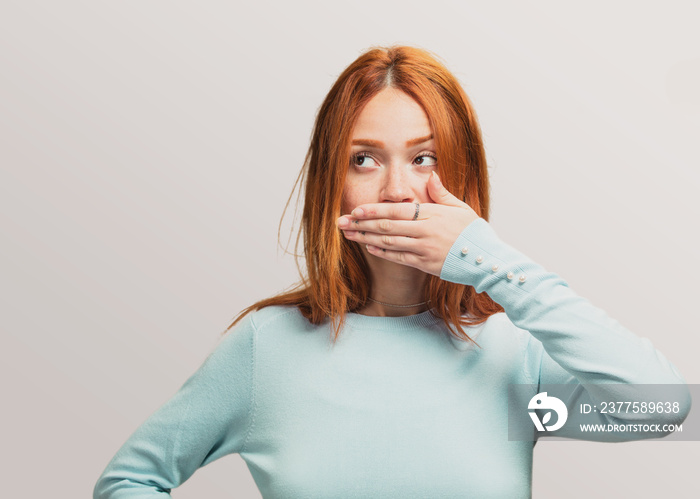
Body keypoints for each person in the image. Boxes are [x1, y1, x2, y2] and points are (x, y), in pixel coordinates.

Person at [94, 45, 691, 498]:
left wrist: (493, 262)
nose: (398, 188)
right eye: (364, 159)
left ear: (462, 176)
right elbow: (129, 481)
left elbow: (665, 409)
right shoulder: (265, 351)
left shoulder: (515, 361)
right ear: (334, 185)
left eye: (423, 158)